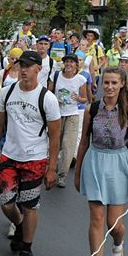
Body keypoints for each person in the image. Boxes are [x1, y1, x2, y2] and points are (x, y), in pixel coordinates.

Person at [0, 50, 62, 256]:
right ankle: (19, 225)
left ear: (39, 69)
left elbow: (55, 135)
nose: (23, 70)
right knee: (6, 202)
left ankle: (27, 248)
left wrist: (52, 168)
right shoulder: (7, 93)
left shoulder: (47, 98)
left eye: (28, 66)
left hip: (35, 159)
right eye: (21, 66)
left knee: (30, 205)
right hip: (10, 155)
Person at [74, 67, 128, 256]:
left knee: (113, 223)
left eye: (114, 83)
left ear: (122, 84)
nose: (109, 87)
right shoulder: (92, 108)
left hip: (118, 163)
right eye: (106, 82)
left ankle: (118, 242)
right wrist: (77, 172)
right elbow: (84, 142)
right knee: (96, 218)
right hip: (95, 161)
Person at [50, 53, 88, 187]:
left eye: (72, 62)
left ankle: (62, 176)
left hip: (72, 115)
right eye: (67, 62)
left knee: (68, 145)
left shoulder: (80, 79)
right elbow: (48, 93)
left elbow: (85, 98)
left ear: (76, 65)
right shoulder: (55, 76)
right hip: (56, 115)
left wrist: (78, 98)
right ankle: (51, 170)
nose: (69, 64)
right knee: (55, 144)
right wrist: (54, 102)